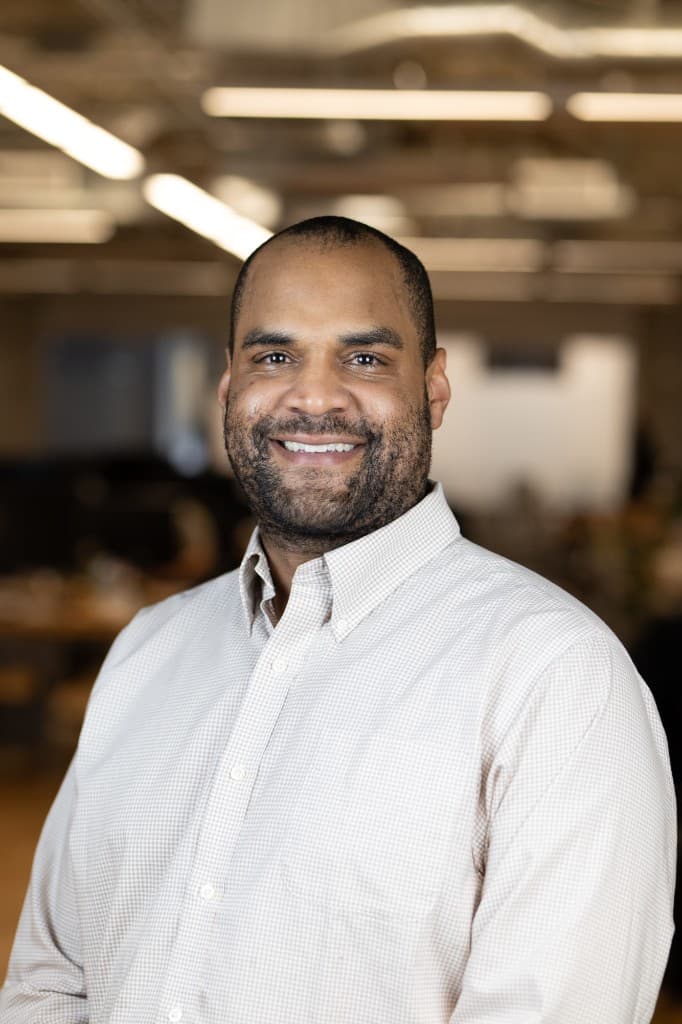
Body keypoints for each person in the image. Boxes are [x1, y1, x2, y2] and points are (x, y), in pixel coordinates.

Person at [0, 216, 675, 1024]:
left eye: (363, 358)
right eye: (275, 356)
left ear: (433, 389)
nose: (313, 396)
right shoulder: (150, 650)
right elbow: (48, 985)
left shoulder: (556, 680)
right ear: (228, 387)